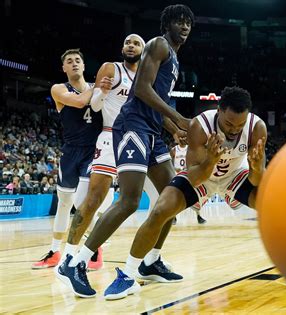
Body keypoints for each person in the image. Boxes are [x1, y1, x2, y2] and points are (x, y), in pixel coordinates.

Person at [56, 4, 194, 298]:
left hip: (153, 130)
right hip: (132, 126)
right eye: (179, 21)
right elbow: (142, 90)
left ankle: (151, 261)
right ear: (167, 24)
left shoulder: (175, 57)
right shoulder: (159, 45)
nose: (184, 26)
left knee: (174, 198)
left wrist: (175, 129)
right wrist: (179, 117)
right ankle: (76, 262)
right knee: (129, 200)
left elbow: (155, 100)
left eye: (188, 23)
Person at [103, 86, 267, 300]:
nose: (235, 130)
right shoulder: (200, 125)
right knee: (161, 209)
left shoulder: (257, 128)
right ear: (218, 111)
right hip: (202, 175)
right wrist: (210, 160)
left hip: (235, 175)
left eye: (240, 125)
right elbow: (195, 178)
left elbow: (257, 180)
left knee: (273, 204)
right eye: (229, 123)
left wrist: (256, 167)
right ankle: (128, 274)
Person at [59, 34, 160, 271]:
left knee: (160, 198)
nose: (131, 46)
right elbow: (94, 106)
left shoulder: (148, 78)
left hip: (141, 139)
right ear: (122, 48)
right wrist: (102, 92)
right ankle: (69, 255)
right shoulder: (111, 68)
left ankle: (151, 259)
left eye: (136, 43)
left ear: (144, 51)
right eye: (127, 42)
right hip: (111, 136)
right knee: (92, 200)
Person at [32, 49, 111, 269]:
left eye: (78, 60)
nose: (74, 63)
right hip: (70, 152)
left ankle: (95, 250)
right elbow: (77, 102)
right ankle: (55, 251)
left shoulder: (100, 91)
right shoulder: (58, 89)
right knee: (64, 203)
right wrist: (97, 86)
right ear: (64, 68)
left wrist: (100, 89)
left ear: (84, 66)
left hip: (93, 151)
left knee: (85, 203)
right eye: (69, 61)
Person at [170, 134, 207, 224]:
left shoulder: (190, 148)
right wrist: (175, 169)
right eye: (180, 137)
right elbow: (169, 163)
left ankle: (199, 216)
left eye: (184, 137)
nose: (182, 139)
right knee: (174, 197)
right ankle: (173, 217)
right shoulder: (174, 150)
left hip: (188, 175)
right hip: (176, 175)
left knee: (194, 196)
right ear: (177, 139)